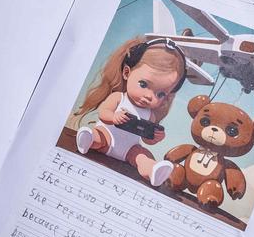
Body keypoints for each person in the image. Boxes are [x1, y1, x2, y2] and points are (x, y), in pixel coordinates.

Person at [71, 37, 186, 186]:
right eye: (143, 84)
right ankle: (88, 140)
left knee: (143, 155)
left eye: (160, 94)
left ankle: (152, 171)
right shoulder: (119, 98)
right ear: (127, 72)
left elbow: (146, 139)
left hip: (129, 150)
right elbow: (103, 113)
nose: (149, 96)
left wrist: (154, 137)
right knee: (99, 137)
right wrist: (114, 117)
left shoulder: (150, 115)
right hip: (107, 137)